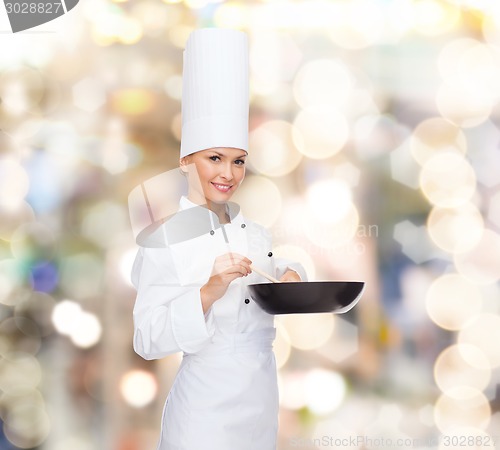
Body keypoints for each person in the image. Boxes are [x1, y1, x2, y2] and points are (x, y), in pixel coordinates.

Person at [131, 28, 306, 450]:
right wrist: (208, 292)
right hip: (203, 413)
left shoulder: (257, 232)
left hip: (261, 403)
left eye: (238, 162)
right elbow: (147, 340)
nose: (228, 174)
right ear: (186, 160)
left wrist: (292, 276)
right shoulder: (165, 239)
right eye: (214, 159)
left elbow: (269, 280)